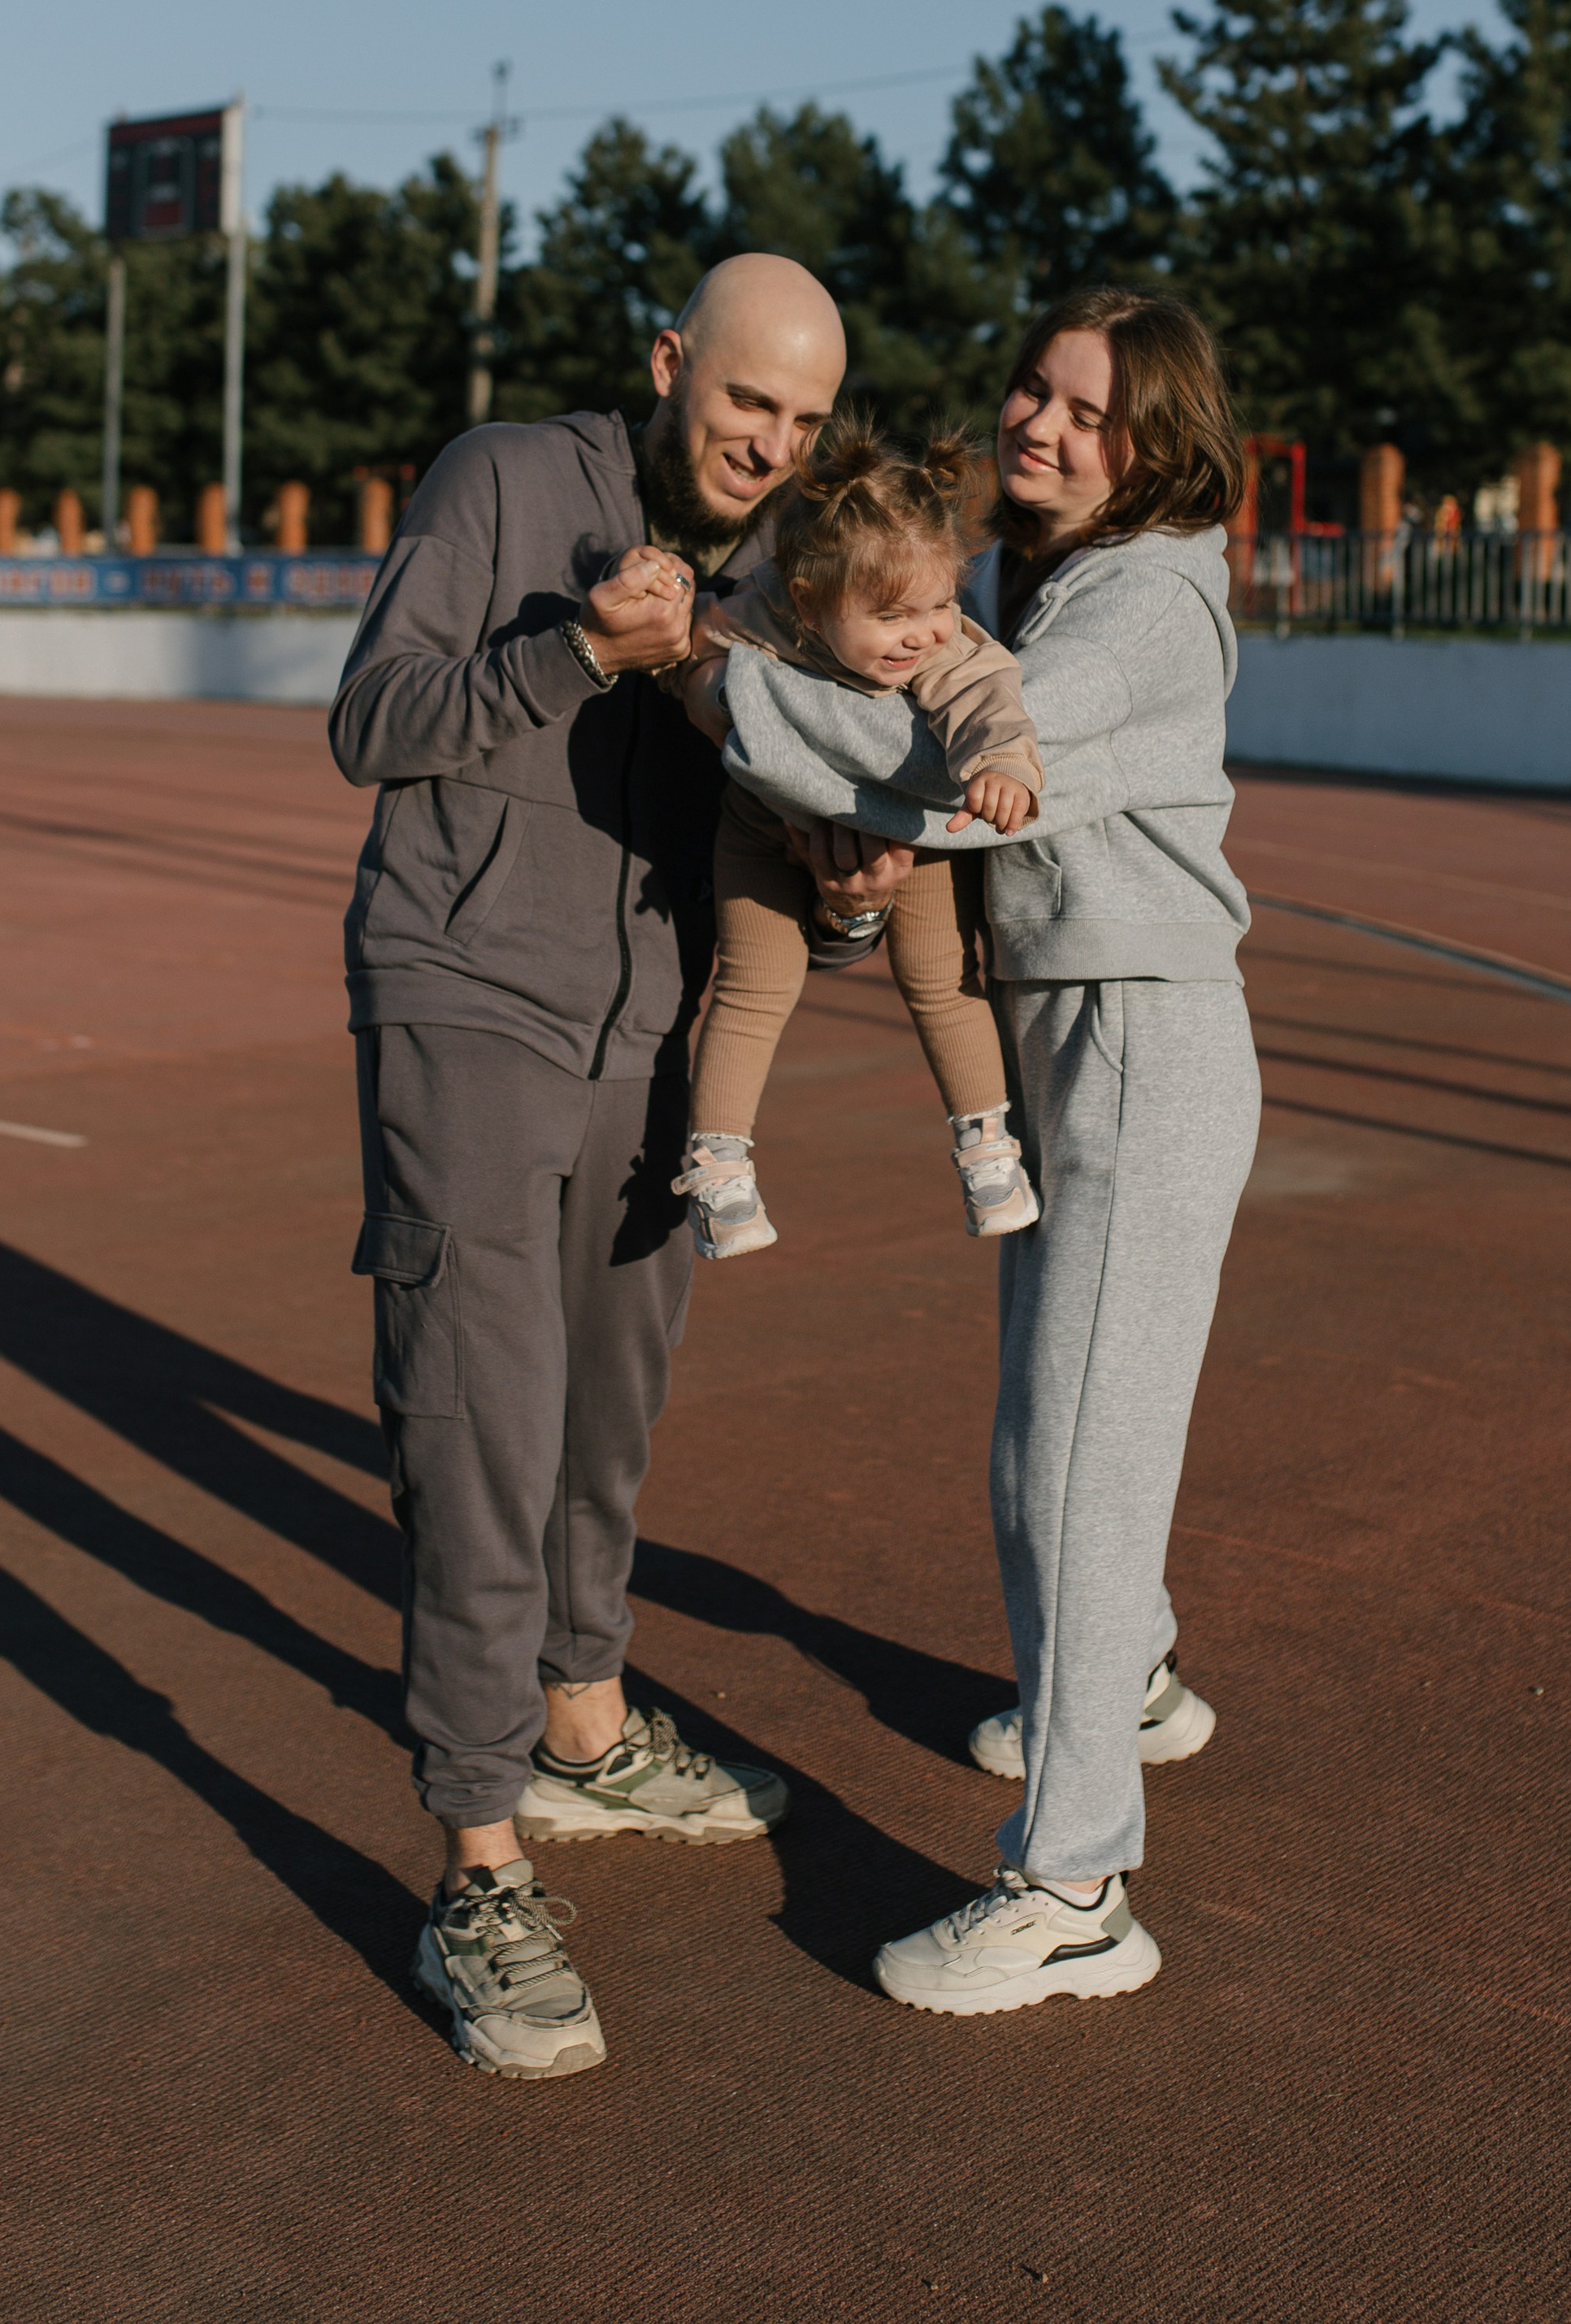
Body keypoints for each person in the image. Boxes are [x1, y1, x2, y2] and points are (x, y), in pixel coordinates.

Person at [331, 252, 866, 2082]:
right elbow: (370, 724)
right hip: (462, 994)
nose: (766, 447)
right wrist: (578, 652)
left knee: (604, 1419)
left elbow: (782, 837)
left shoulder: (779, 583)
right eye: (743, 405)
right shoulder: (502, 482)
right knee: (480, 1416)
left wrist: (853, 899)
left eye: (800, 424)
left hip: (653, 1040)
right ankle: (475, 1858)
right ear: (668, 367)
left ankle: (581, 1733)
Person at [718, 285, 1261, 2018]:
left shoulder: (1139, 606)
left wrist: (711, 675)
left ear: (1154, 445)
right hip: (1077, 1041)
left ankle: (1077, 1884)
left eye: (1085, 413)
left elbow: (935, 767)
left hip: (1137, 1049)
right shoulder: (1063, 577)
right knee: (1054, 1440)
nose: (1037, 425)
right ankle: (1136, 1681)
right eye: (1035, 389)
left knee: (1068, 1467)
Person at [665, 415, 1044, 1260]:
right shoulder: (763, 611)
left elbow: (987, 692)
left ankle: (987, 1147)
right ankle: (718, 1165)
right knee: (752, 988)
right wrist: (677, 648)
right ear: (807, 603)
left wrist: (1003, 766)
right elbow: (693, 645)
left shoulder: (939, 649)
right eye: (892, 615)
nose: (924, 632)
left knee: (943, 981)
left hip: (907, 832)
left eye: (943, 602)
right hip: (762, 827)